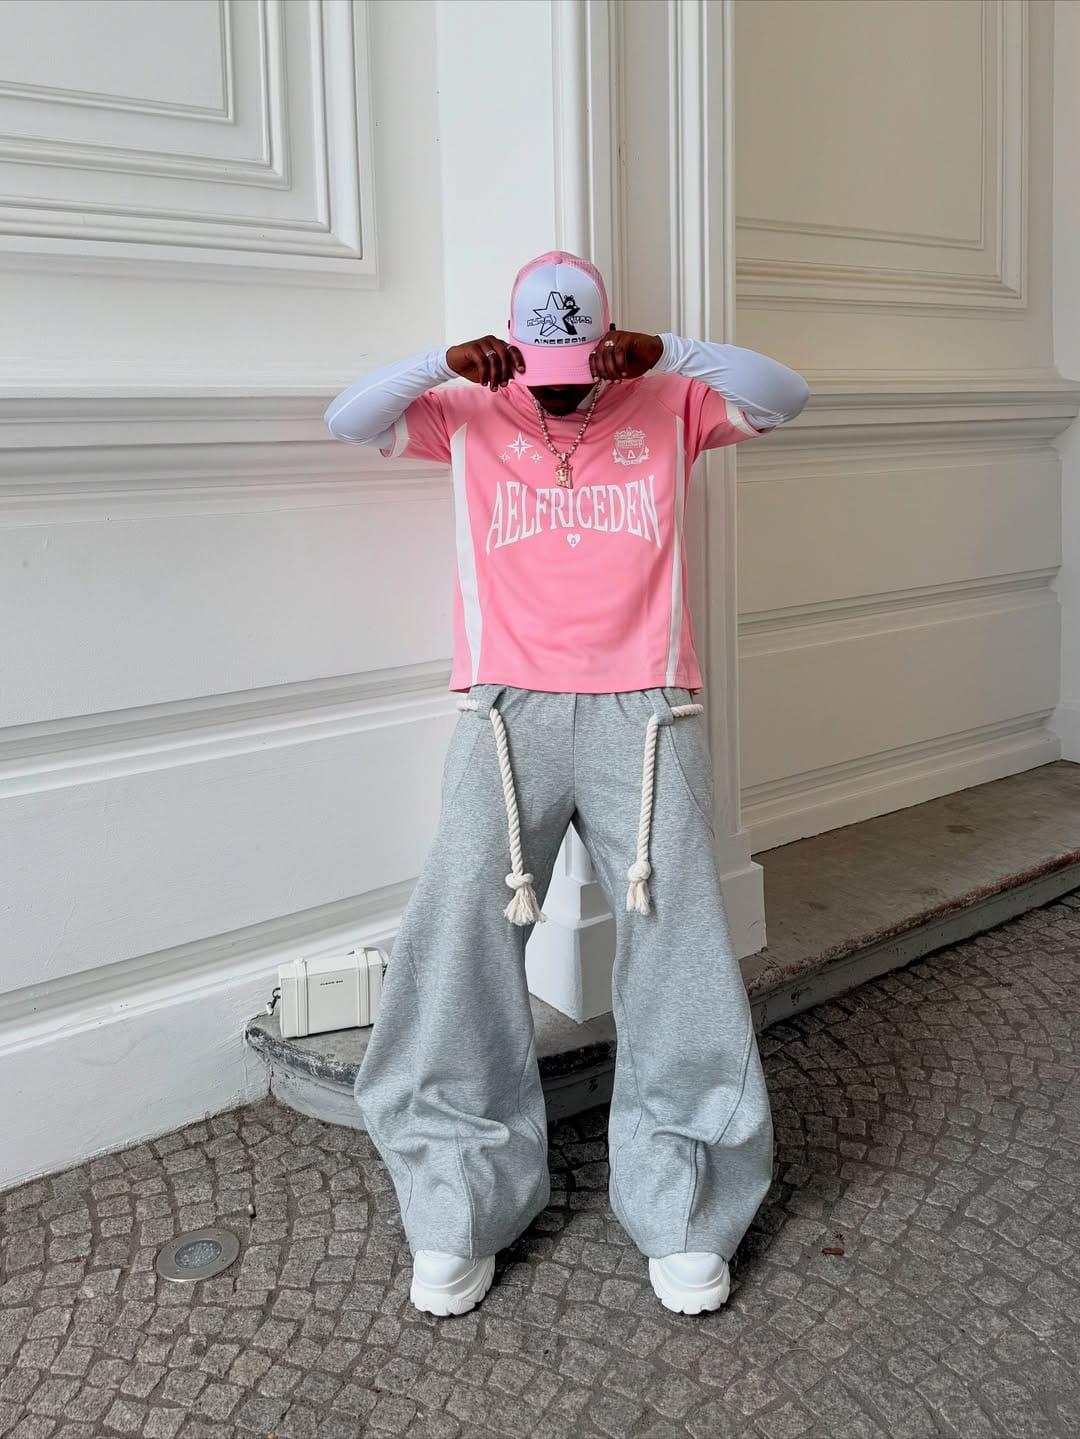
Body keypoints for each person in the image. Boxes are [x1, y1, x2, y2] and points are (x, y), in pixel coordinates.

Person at [323, 251, 809, 1317]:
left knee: (677, 941)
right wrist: (438, 362)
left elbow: (786, 394)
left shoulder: (671, 401)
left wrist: (671, 350)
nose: (559, 392)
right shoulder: (468, 411)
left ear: (605, 348)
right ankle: (458, 1192)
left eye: (575, 370)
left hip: (648, 712)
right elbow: (349, 418)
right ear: (510, 349)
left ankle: (686, 1194)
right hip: (505, 714)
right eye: (541, 371)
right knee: (458, 935)